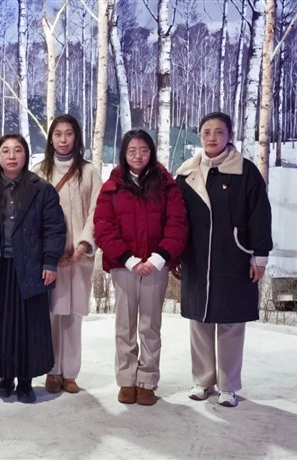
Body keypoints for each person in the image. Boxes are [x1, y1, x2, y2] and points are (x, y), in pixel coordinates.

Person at [173, 112, 272, 408]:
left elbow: (260, 216)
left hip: (235, 257)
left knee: (230, 322)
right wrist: (175, 253)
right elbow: (176, 220)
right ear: (199, 136)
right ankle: (203, 380)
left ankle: (228, 385)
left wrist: (260, 257)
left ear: (230, 136)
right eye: (207, 132)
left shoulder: (246, 172)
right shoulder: (186, 173)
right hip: (196, 258)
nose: (212, 137)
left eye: (219, 132)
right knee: (200, 321)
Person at [93, 129, 188, 406]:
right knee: (124, 325)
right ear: (124, 154)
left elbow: (178, 223)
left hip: (156, 266)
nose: (138, 156)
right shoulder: (112, 186)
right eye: (132, 151)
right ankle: (126, 379)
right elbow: (103, 227)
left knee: (150, 325)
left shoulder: (166, 184)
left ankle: (147, 380)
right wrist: (129, 260)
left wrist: (159, 258)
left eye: (144, 150)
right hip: (125, 267)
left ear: (152, 152)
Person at [0, 134, 66, 404]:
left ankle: (25, 381)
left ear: (26, 155)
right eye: (5, 151)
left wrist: (50, 261)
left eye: (17, 150)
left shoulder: (42, 189)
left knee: (29, 326)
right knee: (1, 324)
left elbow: (54, 228)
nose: (12, 156)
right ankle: (5, 376)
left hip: (31, 266)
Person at [32, 114, 101, 395]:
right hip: (51, 257)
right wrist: (49, 251)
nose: (63, 139)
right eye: (58, 134)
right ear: (50, 138)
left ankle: (70, 373)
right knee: (51, 314)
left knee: (73, 316)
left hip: (80, 256)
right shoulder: (40, 171)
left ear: (77, 137)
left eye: (69, 133)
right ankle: (52, 370)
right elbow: (34, 215)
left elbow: (97, 211)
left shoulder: (90, 171)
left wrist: (83, 245)